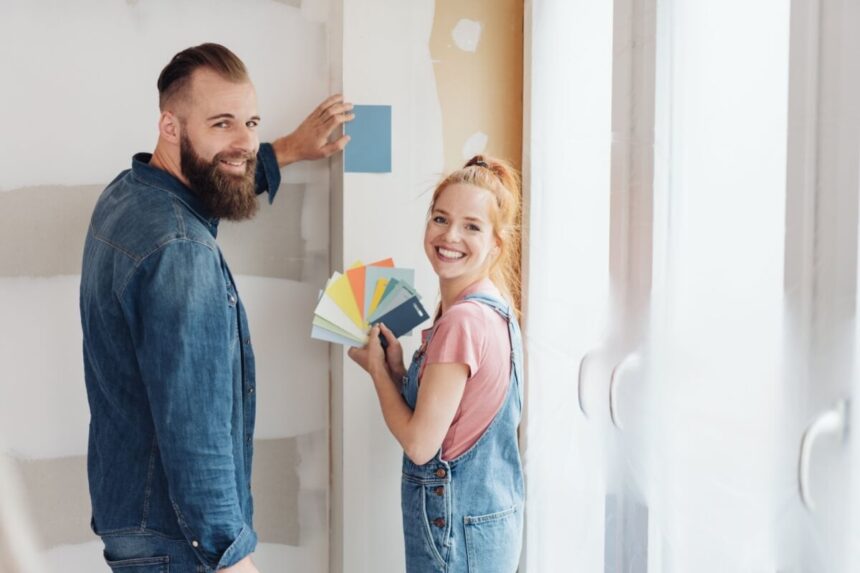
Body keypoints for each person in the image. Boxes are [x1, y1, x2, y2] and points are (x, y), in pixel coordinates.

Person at [79, 43, 352, 573]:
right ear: (170, 126)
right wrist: (230, 556)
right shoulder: (182, 251)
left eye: (251, 122)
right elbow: (195, 428)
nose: (244, 141)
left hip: (138, 521)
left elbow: (208, 188)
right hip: (183, 542)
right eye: (222, 123)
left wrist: (285, 150)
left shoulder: (129, 195)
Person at [348, 155, 525, 572]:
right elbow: (454, 417)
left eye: (472, 226)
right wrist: (398, 373)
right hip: (487, 526)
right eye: (440, 218)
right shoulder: (494, 308)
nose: (450, 236)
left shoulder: (463, 321)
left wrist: (377, 372)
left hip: (455, 533)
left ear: (497, 243)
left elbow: (420, 444)